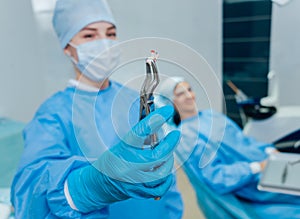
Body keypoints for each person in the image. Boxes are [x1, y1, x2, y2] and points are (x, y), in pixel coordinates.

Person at [10, 0, 183, 218]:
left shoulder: (135, 101)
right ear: (67, 47)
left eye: (110, 34)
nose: (103, 42)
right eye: (89, 36)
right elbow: (29, 189)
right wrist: (89, 187)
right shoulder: (54, 113)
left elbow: (164, 171)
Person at [157, 77, 300, 219]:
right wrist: (256, 167)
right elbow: (216, 177)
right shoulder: (186, 136)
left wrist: (268, 150)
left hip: (266, 167)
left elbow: (243, 141)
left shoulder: (212, 116)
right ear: (171, 101)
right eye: (181, 94)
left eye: (189, 90)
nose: (189, 95)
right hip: (249, 184)